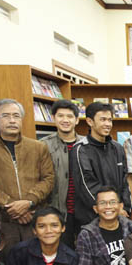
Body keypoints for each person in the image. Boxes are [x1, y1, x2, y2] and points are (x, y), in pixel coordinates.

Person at [0, 99, 55, 255]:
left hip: (34, 217)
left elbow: (48, 178)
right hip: (5, 221)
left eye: (16, 116)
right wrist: (12, 206)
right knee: (8, 263)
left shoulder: (38, 147)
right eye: (6, 116)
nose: (12, 120)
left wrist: (28, 202)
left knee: (39, 260)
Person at [72, 101, 132, 229]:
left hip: (119, 216)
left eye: (110, 120)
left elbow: (124, 182)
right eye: (103, 119)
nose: (107, 124)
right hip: (92, 219)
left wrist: (124, 207)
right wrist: (111, 208)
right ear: (90, 121)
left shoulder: (118, 148)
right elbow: (86, 186)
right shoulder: (80, 150)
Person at [40, 99, 82, 239]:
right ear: (53, 118)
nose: (65, 120)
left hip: (83, 210)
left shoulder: (86, 144)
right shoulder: (43, 145)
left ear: (77, 120)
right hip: (56, 210)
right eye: (60, 116)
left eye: (69, 116)